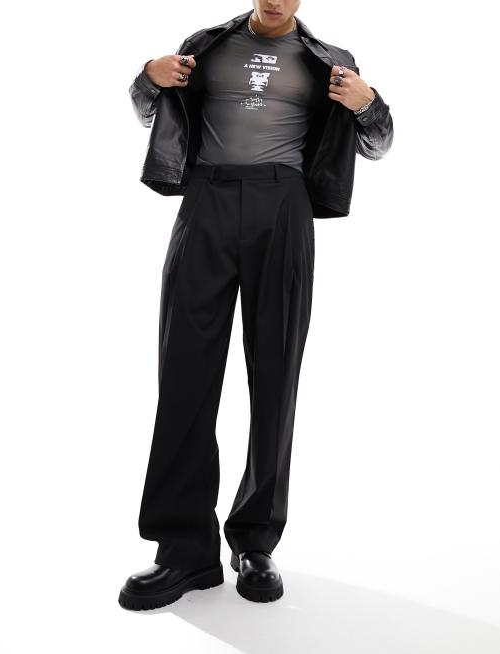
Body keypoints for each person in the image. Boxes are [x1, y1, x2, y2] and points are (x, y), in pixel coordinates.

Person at [119, 0, 393, 611]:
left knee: (275, 373)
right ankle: (183, 550)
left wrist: (367, 103)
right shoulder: (205, 45)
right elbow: (147, 109)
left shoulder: (331, 62)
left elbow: (378, 143)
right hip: (206, 200)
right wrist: (148, 77)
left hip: (284, 204)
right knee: (184, 372)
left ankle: (255, 541)